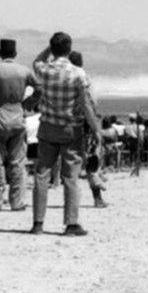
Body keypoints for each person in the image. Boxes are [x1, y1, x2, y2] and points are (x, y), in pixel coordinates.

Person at [30, 32, 98, 236]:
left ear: (52, 48)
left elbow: (36, 61)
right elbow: (86, 105)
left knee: (42, 174)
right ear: (69, 49)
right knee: (71, 177)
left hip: (48, 127)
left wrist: (50, 49)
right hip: (71, 128)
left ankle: (38, 223)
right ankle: (70, 223)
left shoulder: (44, 70)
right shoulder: (78, 73)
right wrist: (96, 130)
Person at [0, 38, 41, 212]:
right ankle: (16, 201)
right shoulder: (24, 70)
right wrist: (27, 104)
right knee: (17, 162)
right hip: (18, 115)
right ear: (15, 53)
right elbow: (40, 89)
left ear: (0, 53)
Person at [68, 50, 107, 208]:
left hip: (68, 124)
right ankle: (97, 197)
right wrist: (96, 128)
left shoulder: (65, 78)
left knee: (70, 162)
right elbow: (90, 105)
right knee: (92, 161)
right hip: (86, 125)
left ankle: (71, 200)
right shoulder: (85, 79)